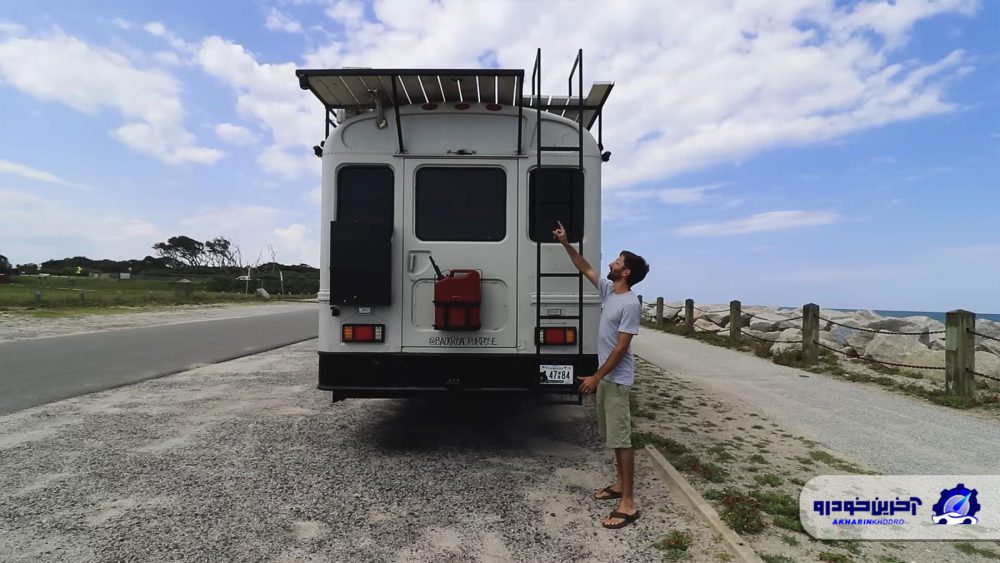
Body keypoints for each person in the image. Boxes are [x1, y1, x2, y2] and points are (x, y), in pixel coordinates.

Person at [552, 220, 649, 530]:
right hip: (608, 379)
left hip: (616, 381)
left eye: (618, 261)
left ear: (626, 273)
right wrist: (566, 243)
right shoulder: (610, 291)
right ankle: (620, 485)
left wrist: (596, 376)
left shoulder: (630, 304)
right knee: (612, 438)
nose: (611, 262)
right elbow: (586, 266)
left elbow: (621, 349)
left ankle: (629, 503)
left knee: (622, 440)